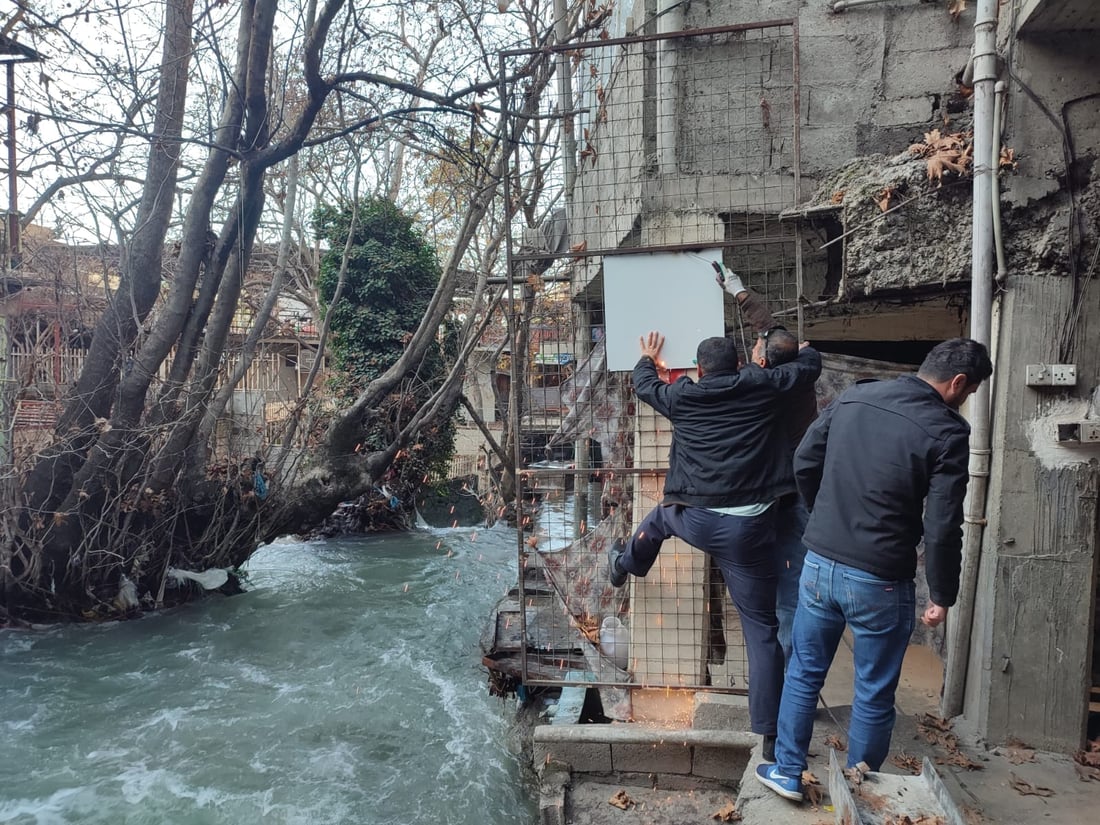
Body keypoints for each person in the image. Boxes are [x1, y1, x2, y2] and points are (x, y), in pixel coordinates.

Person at [756, 337, 993, 803]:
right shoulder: (948, 432)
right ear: (959, 383)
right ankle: (859, 792)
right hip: (881, 579)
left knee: (804, 672)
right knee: (873, 689)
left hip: (819, 564)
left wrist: (821, 517)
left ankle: (786, 771)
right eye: (968, 393)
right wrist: (943, 592)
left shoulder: (855, 397)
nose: (965, 402)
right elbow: (943, 524)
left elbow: (805, 460)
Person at [608, 329, 822, 758]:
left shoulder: (683, 396)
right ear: (742, 361)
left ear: (700, 370)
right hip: (750, 532)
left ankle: (625, 565)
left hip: (698, 519)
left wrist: (648, 357)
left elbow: (644, 385)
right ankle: (769, 738)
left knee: (660, 518)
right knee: (761, 631)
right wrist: (805, 349)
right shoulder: (762, 386)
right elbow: (807, 369)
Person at [715, 264, 818, 663]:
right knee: (794, 573)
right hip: (800, 487)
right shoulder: (803, 373)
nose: (755, 348)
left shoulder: (752, 391)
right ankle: (791, 655)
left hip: (767, 494)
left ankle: (776, 658)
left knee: (770, 576)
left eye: (758, 351)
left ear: (762, 363)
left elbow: (770, 342)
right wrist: (739, 292)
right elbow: (774, 333)